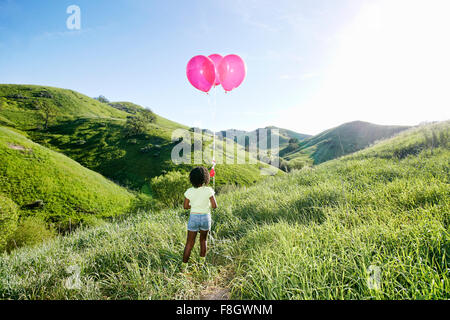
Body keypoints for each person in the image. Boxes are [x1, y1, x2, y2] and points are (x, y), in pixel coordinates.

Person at [182, 166, 217, 264]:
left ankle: (184, 265)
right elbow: (215, 206)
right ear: (206, 178)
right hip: (206, 217)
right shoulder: (208, 190)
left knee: (189, 243)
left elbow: (185, 206)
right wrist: (206, 205)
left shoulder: (189, 191)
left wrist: (193, 206)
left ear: (192, 178)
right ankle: (201, 264)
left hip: (194, 217)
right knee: (203, 241)